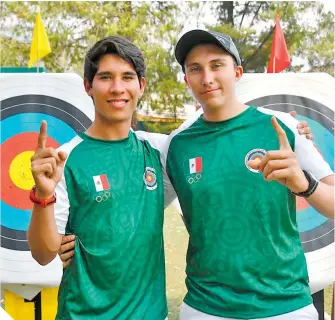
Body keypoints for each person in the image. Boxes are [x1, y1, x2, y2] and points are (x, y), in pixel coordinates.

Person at [160, 29, 334, 320]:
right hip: (206, 307)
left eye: (217, 65)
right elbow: (143, 206)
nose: (207, 78)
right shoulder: (176, 145)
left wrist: (304, 183)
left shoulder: (281, 127)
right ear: (186, 78)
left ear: (237, 72)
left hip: (285, 305)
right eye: (195, 69)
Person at [27, 35, 175, 320]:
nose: (118, 88)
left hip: (151, 314)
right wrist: (43, 195)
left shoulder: (159, 151)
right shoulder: (64, 158)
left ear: (141, 86)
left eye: (127, 77)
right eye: (106, 77)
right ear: (88, 86)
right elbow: (43, 254)